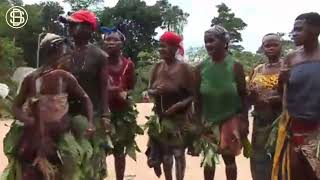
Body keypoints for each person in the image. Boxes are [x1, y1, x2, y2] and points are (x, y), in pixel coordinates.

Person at [2, 33, 94, 180]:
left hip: (60, 134)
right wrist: (28, 120)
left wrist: (89, 122)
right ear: (50, 55)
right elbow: (16, 107)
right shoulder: (31, 79)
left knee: (67, 167)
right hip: (33, 135)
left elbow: (85, 98)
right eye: (65, 56)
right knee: (29, 169)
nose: (69, 60)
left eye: (70, 56)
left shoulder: (66, 78)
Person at [58, 10, 111, 179]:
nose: (70, 28)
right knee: (66, 163)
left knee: (90, 164)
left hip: (90, 116)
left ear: (88, 28)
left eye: (74, 24)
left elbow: (104, 89)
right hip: (63, 115)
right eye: (69, 24)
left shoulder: (100, 56)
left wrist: (105, 116)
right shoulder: (61, 51)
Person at [194, 25, 249, 180]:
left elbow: (243, 96)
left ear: (225, 41)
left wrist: (244, 121)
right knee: (209, 162)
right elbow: (197, 99)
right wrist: (198, 123)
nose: (208, 45)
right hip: (208, 121)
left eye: (212, 40)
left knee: (229, 161)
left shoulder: (236, 66)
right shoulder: (200, 68)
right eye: (206, 42)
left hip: (230, 121)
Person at [273, 12, 320, 180]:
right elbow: (282, 94)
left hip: (317, 129)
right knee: (294, 172)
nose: (294, 33)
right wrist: (281, 81)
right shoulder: (291, 59)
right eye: (293, 29)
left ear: (315, 29)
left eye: (299, 29)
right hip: (294, 128)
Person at [146, 31, 195, 180]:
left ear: (175, 48)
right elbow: (149, 90)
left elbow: (194, 94)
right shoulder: (156, 67)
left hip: (180, 119)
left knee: (178, 154)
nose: (161, 49)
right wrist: (154, 92)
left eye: (165, 46)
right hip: (162, 120)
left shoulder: (185, 68)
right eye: (159, 46)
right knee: (166, 157)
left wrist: (180, 105)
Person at [100, 27, 142, 180]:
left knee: (119, 152)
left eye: (115, 40)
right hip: (103, 113)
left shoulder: (128, 65)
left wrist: (126, 94)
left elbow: (131, 88)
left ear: (122, 43)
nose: (110, 42)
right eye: (107, 39)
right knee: (100, 151)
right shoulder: (99, 62)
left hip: (121, 114)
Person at [248, 33, 282, 180]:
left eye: (275, 44)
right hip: (260, 122)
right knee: (259, 160)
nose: (271, 48)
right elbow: (248, 96)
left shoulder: (287, 66)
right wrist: (252, 96)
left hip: (281, 122)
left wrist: (276, 99)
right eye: (267, 45)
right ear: (263, 48)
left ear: (281, 47)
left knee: (280, 160)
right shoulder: (257, 70)